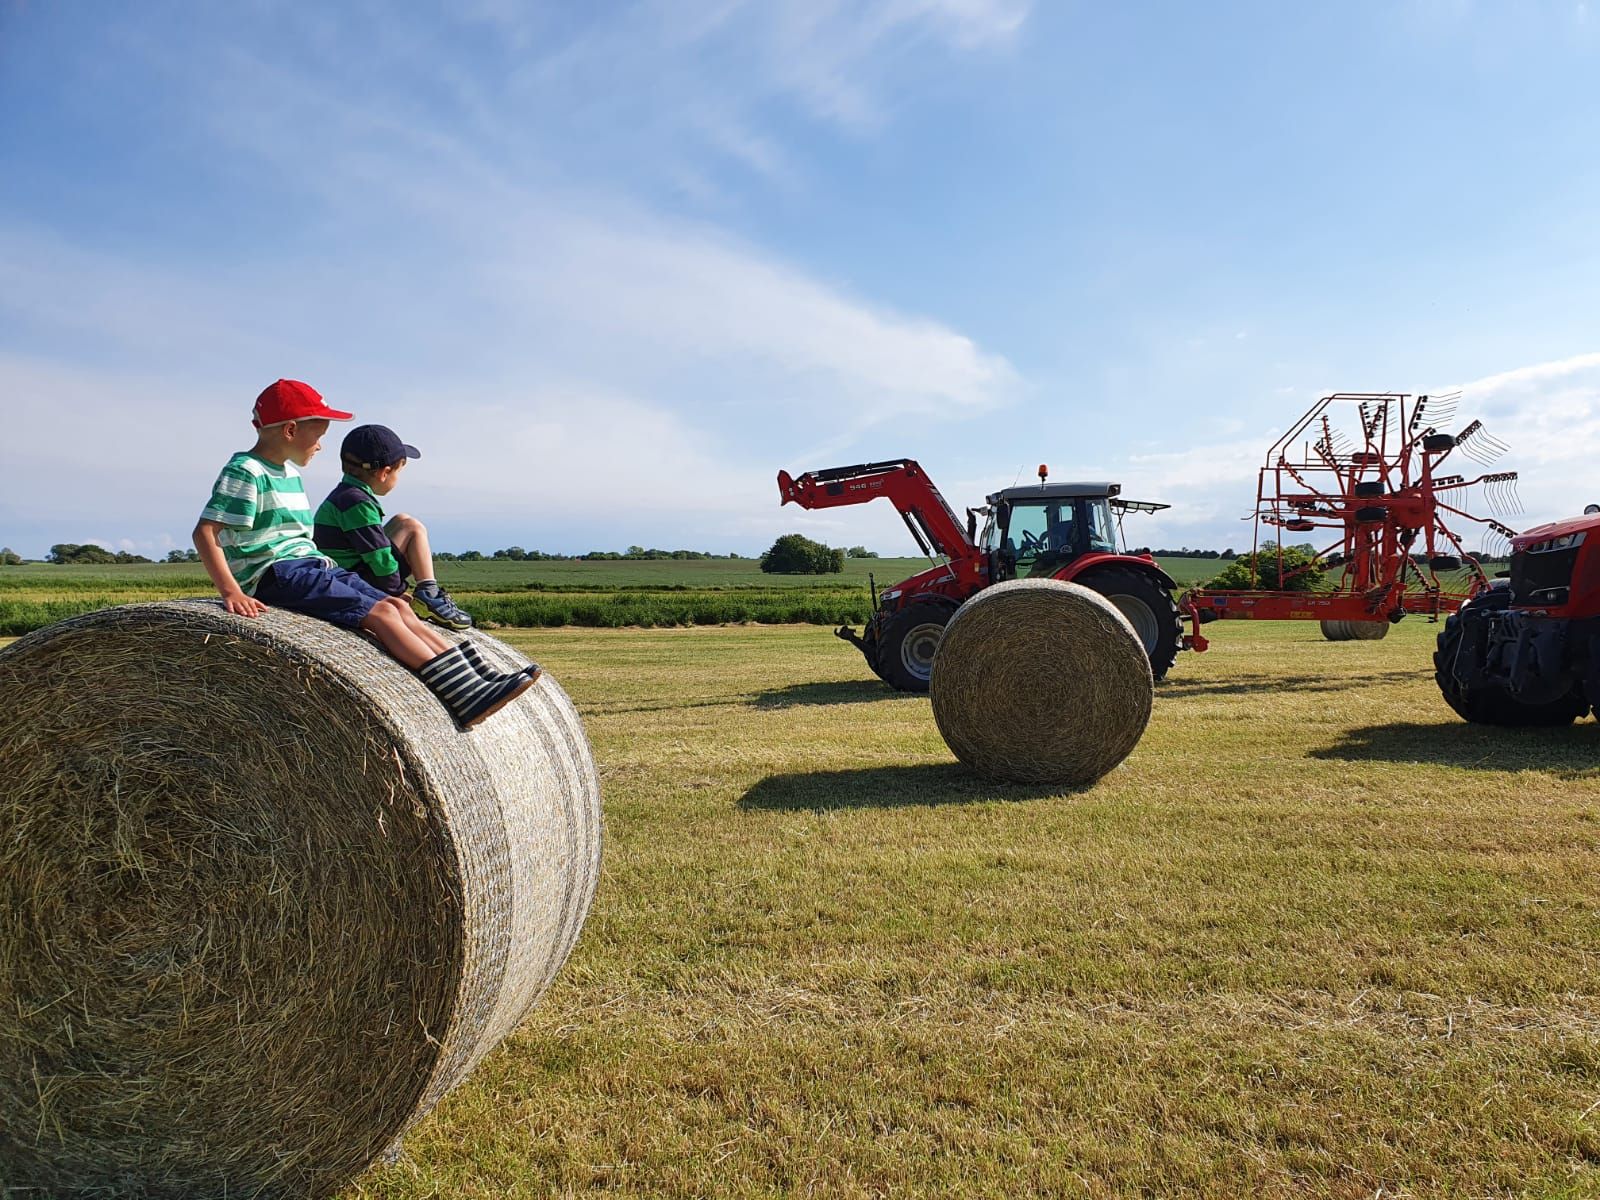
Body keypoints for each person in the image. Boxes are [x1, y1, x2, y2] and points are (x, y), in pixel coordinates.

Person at [192, 379, 539, 729]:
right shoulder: (245, 472)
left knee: (398, 606)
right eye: (319, 435)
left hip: (311, 566)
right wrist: (232, 591)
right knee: (381, 615)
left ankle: (475, 677)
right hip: (278, 574)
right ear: (291, 430)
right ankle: (463, 697)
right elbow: (206, 532)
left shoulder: (290, 475)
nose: (321, 446)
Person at [311, 424, 473, 631]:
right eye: (399, 471)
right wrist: (396, 593)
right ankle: (429, 595)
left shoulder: (345, 495)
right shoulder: (356, 503)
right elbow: (379, 557)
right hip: (353, 581)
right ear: (385, 473)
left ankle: (427, 593)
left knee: (402, 520)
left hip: (345, 574)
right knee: (412, 527)